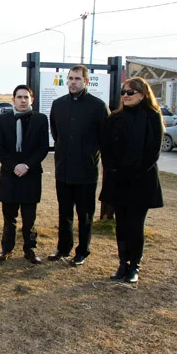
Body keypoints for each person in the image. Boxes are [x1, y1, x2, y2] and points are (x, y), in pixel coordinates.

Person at [99, 77, 164, 283]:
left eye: (130, 92)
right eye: (123, 92)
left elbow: (153, 151)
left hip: (140, 180)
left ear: (142, 95)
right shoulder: (114, 118)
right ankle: (122, 263)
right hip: (118, 179)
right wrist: (113, 170)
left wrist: (134, 172)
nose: (125, 96)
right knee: (121, 225)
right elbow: (106, 148)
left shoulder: (152, 117)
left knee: (135, 225)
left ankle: (135, 265)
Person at [48, 65, 108, 266]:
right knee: (64, 212)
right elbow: (56, 134)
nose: (73, 82)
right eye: (71, 78)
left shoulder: (98, 106)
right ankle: (63, 248)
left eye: (77, 79)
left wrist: (90, 156)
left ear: (86, 82)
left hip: (86, 171)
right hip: (63, 170)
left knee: (85, 215)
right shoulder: (58, 104)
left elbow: (103, 139)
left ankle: (82, 251)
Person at [0, 85, 49, 265]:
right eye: (19, 97)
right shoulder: (3, 119)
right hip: (10, 175)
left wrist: (26, 165)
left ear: (32, 99)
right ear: (13, 100)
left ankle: (30, 250)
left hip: (30, 175)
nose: (23, 100)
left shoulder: (40, 119)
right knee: (9, 217)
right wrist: (14, 166)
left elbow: (43, 148)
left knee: (29, 218)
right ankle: (6, 249)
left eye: (26, 97)